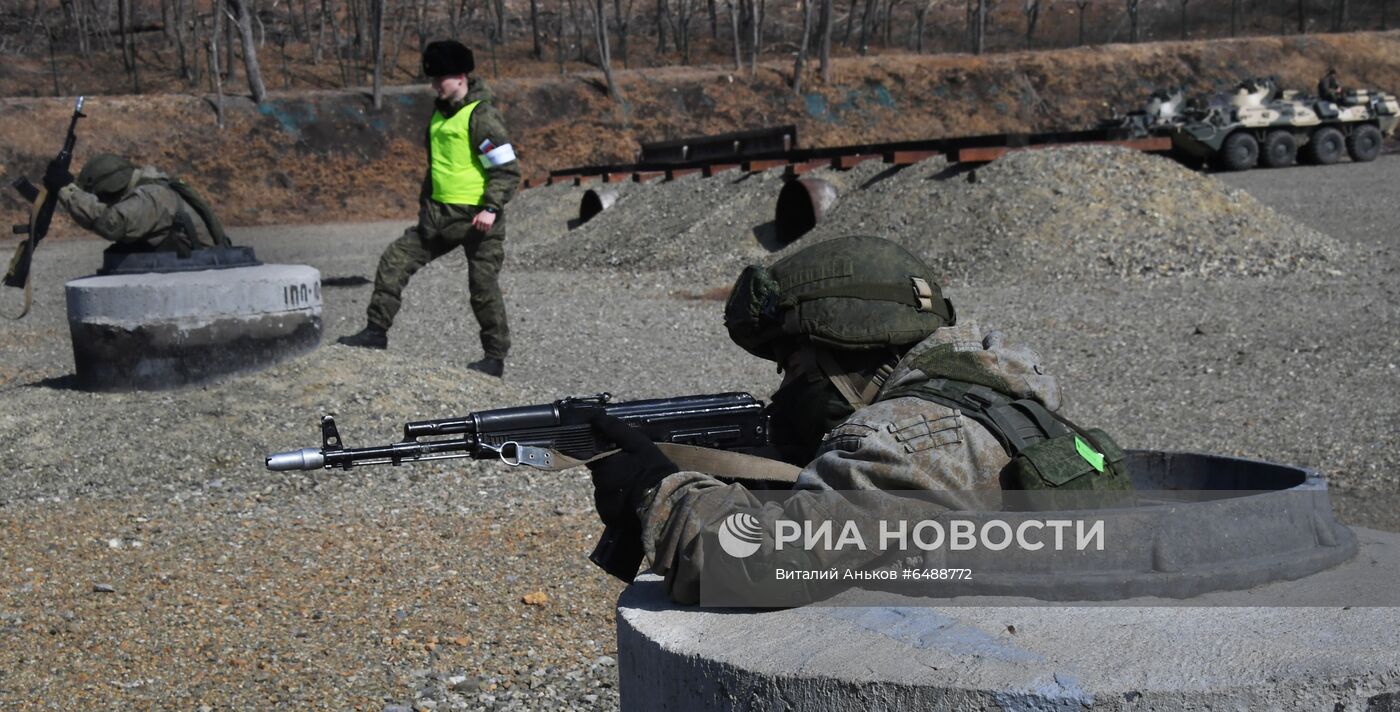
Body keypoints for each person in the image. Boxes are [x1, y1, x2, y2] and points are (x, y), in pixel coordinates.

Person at [585, 236, 1125, 604]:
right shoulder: (1004, 393)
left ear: (844, 346)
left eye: (791, 364)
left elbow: (769, 564)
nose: (786, 387)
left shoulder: (905, 434)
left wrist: (657, 490)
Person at [337, 39, 521, 379]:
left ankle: (494, 358)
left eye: (440, 79)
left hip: (479, 220)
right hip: (439, 217)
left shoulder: (482, 116)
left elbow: (507, 170)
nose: (434, 86)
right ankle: (375, 332)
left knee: (483, 289)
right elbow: (437, 166)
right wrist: (426, 205)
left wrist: (491, 208)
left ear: (461, 77)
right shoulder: (439, 114)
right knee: (395, 260)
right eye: (433, 79)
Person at [55, 153, 230, 254]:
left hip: (200, 276)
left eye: (101, 197)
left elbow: (112, 223)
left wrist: (69, 193)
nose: (102, 202)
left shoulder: (150, 197)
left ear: (111, 189)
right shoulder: (151, 189)